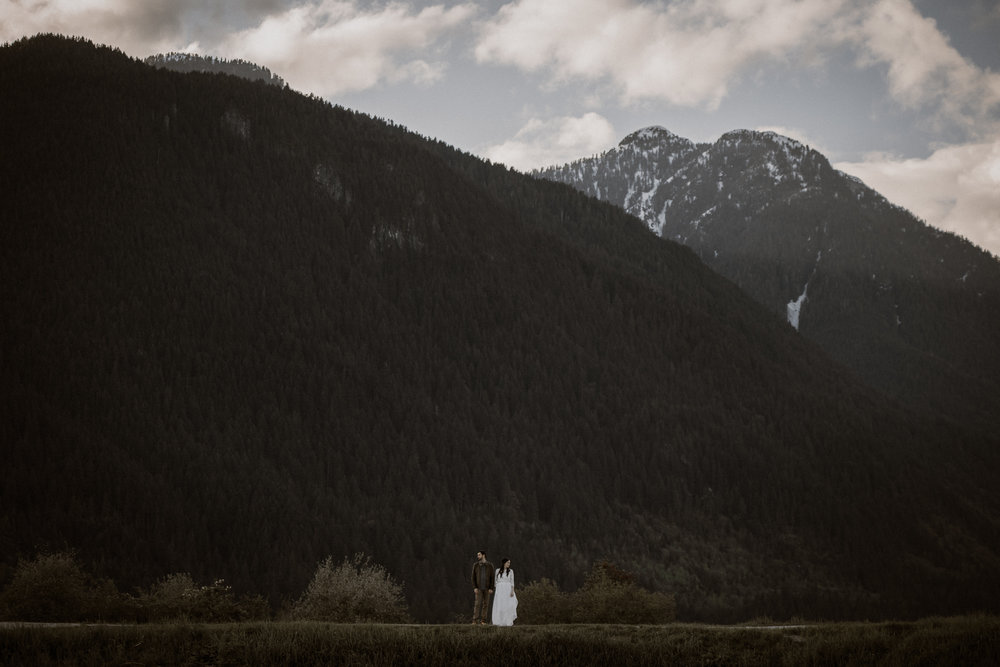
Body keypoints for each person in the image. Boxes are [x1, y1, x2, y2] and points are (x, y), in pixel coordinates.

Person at [492, 558, 518, 627]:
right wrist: (498, 588)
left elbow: (512, 581)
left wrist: (512, 591)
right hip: (500, 589)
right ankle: (499, 621)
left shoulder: (511, 571)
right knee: (500, 605)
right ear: (504, 563)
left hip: (507, 588)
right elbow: (495, 581)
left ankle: (507, 621)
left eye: (509, 563)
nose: (509, 564)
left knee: (508, 605)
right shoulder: (497, 570)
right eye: (508, 562)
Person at [471, 550, 494, 625]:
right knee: (477, 604)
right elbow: (473, 577)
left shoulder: (490, 565)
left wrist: (491, 588)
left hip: (487, 588)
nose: (478, 556)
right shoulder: (476, 565)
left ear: (483, 555)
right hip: (479, 588)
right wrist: (475, 587)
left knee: (486, 604)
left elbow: (492, 577)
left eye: (479, 555)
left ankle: (483, 621)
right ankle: (475, 620)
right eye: (478, 555)